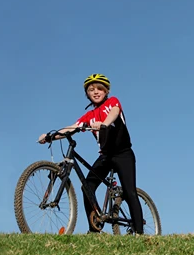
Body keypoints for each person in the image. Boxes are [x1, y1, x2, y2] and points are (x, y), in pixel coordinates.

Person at [37, 73, 145, 235]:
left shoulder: (112, 102)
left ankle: (139, 233)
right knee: (87, 186)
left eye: (99, 89)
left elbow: (114, 112)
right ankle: (94, 229)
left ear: (106, 91)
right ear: (87, 94)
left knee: (129, 191)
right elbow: (72, 127)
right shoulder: (89, 116)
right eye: (91, 89)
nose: (95, 92)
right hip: (105, 156)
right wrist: (50, 136)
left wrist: (104, 124)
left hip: (123, 154)